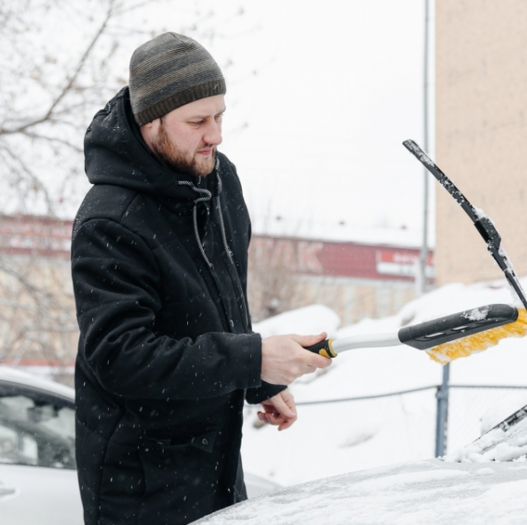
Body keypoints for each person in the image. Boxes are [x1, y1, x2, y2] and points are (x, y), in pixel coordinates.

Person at [70, 32, 331, 525]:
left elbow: (227, 294)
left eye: (219, 116)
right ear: (152, 121)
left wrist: (255, 377)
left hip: (216, 459)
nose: (215, 134)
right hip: (141, 484)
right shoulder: (109, 221)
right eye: (197, 121)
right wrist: (251, 357)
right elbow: (119, 356)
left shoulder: (217, 180)